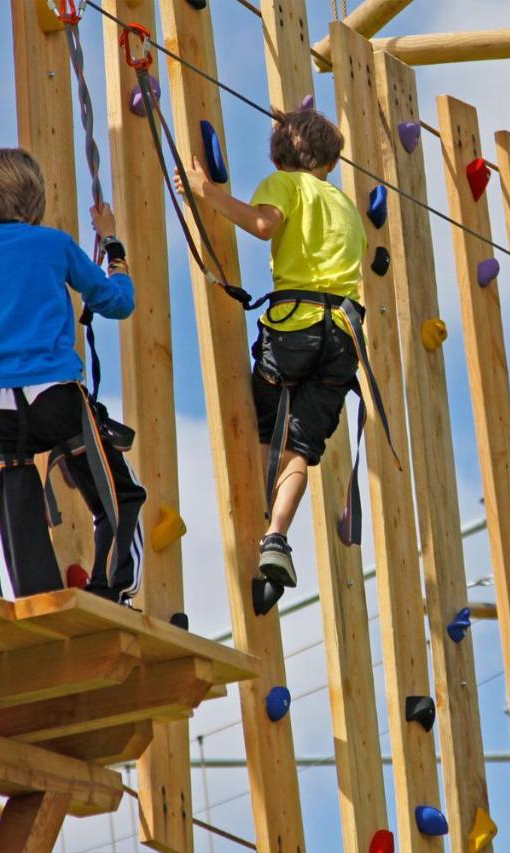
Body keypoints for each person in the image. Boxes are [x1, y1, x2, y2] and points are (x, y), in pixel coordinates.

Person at [176, 108, 366, 588]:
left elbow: (263, 225)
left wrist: (207, 194)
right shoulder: (343, 204)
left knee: (265, 432)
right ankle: (276, 536)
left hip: (296, 326)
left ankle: (257, 529)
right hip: (343, 338)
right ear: (330, 159)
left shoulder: (287, 185)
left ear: (282, 158)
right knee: (299, 449)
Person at [0, 147, 145, 603]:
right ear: (34, 201)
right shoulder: (53, 244)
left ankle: (39, 603)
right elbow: (117, 302)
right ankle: (110, 586)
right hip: (54, 397)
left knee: (19, 514)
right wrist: (113, 250)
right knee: (120, 495)